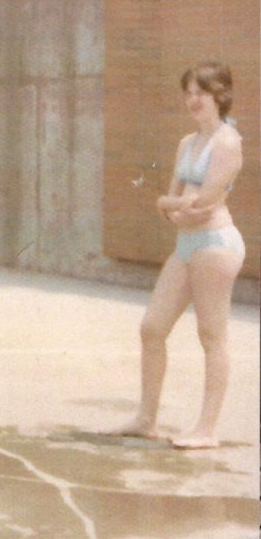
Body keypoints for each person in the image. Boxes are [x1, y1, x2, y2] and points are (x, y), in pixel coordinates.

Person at [113, 61, 245, 449]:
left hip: (215, 245)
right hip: (186, 245)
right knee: (152, 328)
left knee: (211, 335)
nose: (192, 100)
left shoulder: (227, 142)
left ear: (220, 94)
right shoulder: (187, 143)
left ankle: (207, 429)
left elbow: (203, 203)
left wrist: (171, 203)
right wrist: (173, 203)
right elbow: (174, 201)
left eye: (200, 93)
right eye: (188, 93)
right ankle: (146, 419)